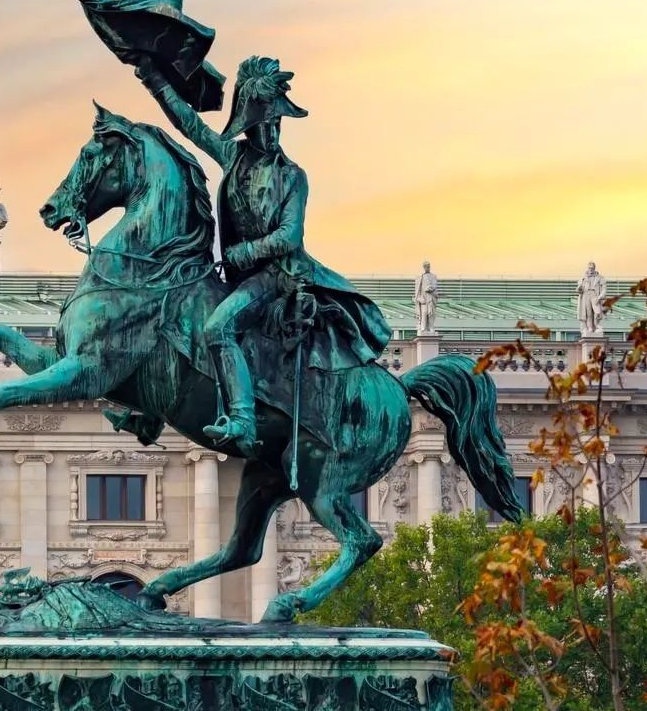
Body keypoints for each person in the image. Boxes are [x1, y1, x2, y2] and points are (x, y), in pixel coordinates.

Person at [134, 55, 390, 454]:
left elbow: (289, 236)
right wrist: (153, 78)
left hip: (281, 275)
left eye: (276, 124)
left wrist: (245, 251)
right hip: (241, 276)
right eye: (264, 124)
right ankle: (150, 408)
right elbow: (190, 125)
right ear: (247, 125)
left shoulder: (292, 176)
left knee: (218, 328)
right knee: (173, 312)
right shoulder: (232, 156)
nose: (271, 132)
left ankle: (242, 418)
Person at [414, 261, 439, 335]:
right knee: (424, 313)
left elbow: (435, 285)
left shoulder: (433, 276)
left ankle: (431, 327)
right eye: (425, 266)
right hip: (423, 298)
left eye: (428, 266)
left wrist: (431, 288)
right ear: (423, 267)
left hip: (431, 297)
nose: (427, 268)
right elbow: (417, 290)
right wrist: (419, 298)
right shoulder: (420, 277)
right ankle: (423, 328)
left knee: (431, 313)